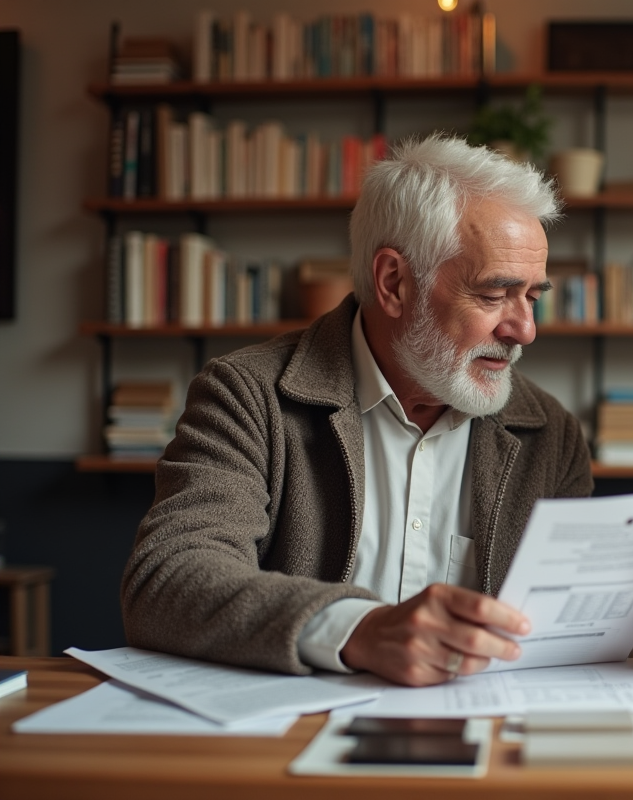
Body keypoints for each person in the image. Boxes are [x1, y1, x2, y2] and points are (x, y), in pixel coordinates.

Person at [122, 135, 593, 686]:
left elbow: (580, 611)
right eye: (493, 295)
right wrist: (358, 630)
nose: (525, 330)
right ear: (394, 282)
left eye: (532, 297)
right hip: (296, 728)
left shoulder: (550, 431)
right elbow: (168, 578)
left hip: (488, 729)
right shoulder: (247, 395)